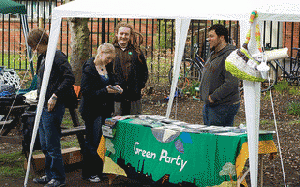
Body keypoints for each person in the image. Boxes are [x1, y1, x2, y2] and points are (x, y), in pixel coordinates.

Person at [28, 28, 76, 187]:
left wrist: (55, 95)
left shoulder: (57, 56)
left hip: (53, 106)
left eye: (35, 46)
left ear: (42, 42)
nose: (34, 50)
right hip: (42, 104)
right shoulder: (43, 56)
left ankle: (58, 177)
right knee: (44, 142)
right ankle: (49, 175)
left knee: (52, 142)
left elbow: (69, 78)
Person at [79, 43, 122, 182]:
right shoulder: (89, 68)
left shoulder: (107, 67)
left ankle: (99, 169)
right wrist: (105, 91)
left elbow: (111, 81)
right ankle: (89, 172)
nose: (109, 61)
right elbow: (85, 92)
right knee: (93, 141)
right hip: (92, 111)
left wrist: (116, 88)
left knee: (103, 140)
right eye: (108, 58)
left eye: (111, 59)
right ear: (101, 53)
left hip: (105, 109)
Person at [199, 24, 240, 126]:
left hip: (223, 106)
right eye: (208, 36)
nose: (209, 39)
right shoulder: (214, 53)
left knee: (217, 140)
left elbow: (232, 83)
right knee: (210, 137)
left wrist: (212, 97)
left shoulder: (230, 55)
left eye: (212, 36)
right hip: (211, 105)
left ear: (222, 37)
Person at [107, 21, 148, 116]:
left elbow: (144, 72)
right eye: (121, 34)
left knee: (134, 123)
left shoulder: (137, 52)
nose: (123, 36)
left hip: (134, 96)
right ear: (117, 34)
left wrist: (139, 86)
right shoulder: (110, 51)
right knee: (117, 125)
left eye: (126, 34)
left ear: (130, 36)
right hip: (116, 97)